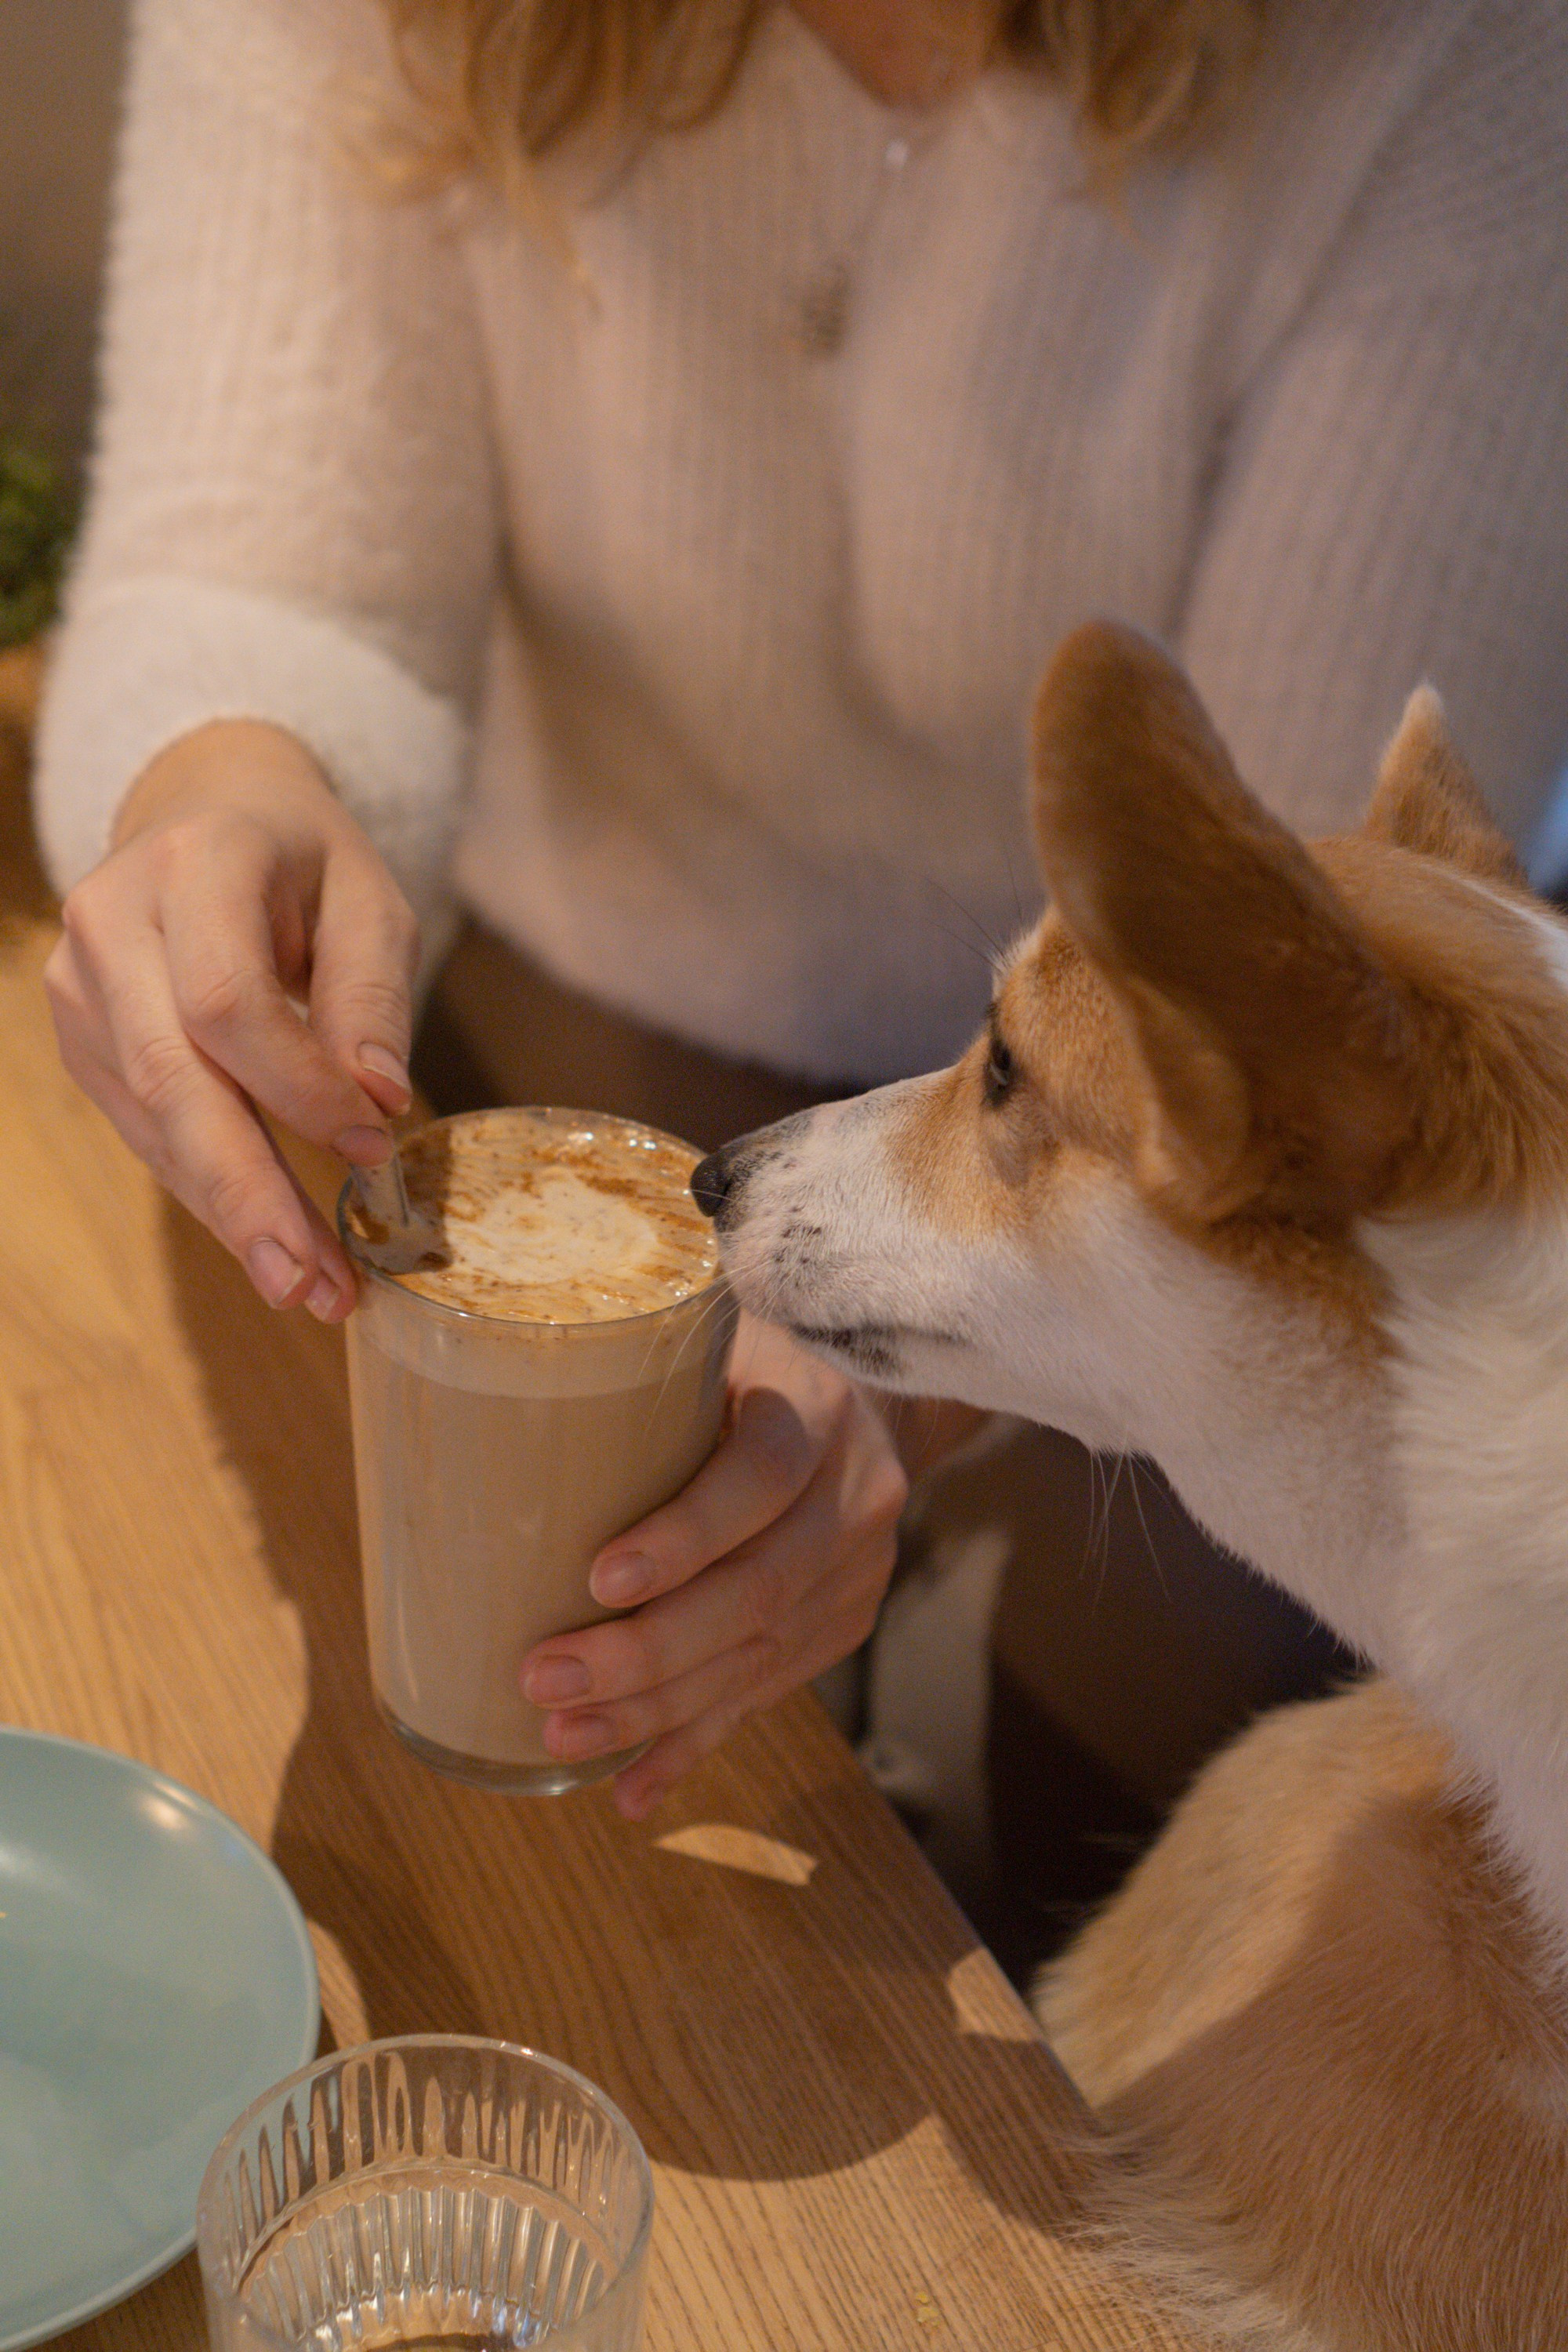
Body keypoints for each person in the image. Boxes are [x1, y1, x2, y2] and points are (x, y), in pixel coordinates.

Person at [33, 0, 1568, 1896]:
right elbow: (260, 561)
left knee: (1115, 1832)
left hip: (1144, 1181)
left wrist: (891, 1373)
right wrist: (221, 775)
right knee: (430, 1724)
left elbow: (1263, 981)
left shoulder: (1455, 59)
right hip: (559, 994)